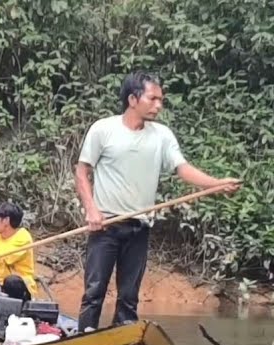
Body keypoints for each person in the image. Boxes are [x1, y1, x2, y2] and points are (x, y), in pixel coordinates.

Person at [75, 71, 241, 330]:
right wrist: (91, 210)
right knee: (94, 293)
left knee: (129, 298)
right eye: (153, 99)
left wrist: (216, 184)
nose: (159, 105)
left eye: (161, 100)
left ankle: (124, 343)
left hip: (139, 227)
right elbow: (82, 172)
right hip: (105, 225)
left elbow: (183, 169)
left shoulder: (162, 135)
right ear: (133, 99)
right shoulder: (103, 129)